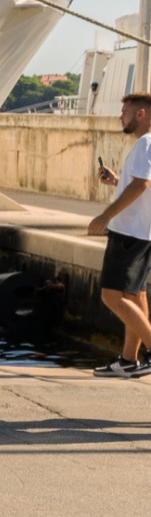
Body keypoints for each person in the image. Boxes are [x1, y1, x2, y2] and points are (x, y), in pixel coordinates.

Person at [86, 93, 151, 377]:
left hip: (129, 233)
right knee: (135, 297)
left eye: (125, 111)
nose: (121, 116)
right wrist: (116, 181)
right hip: (141, 232)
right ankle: (128, 360)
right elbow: (138, 185)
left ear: (141, 114)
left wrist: (105, 216)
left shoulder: (145, 143)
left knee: (112, 296)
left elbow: (141, 185)